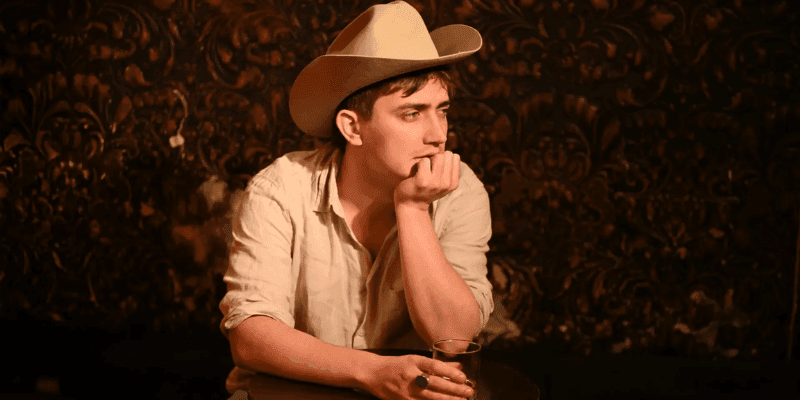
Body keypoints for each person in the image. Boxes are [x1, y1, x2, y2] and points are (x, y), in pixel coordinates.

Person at [219, 2, 493, 399]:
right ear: (352, 127)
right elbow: (250, 337)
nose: (438, 135)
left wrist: (413, 209)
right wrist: (371, 372)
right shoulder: (281, 188)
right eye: (412, 113)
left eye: (442, 110)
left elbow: (453, 338)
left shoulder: (461, 191)